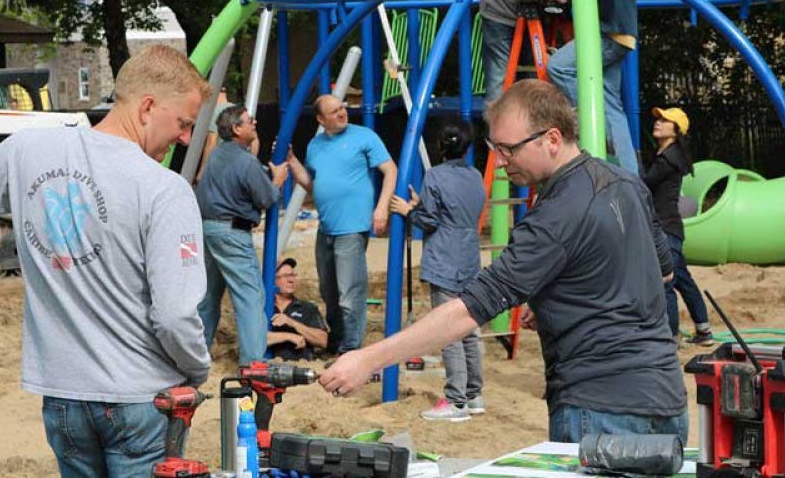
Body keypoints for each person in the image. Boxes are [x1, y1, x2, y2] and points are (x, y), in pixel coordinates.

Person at [0, 45, 212, 474]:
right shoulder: (165, 189)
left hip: (64, 400)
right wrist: (196, 369)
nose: (185, 137)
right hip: (142, 401)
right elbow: (173, 315)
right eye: (183, 123)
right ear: (148, 107)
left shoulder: (29, 153)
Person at [321, 79, 687, 444]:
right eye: (495, 148)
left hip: (601, 408)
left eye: (510, 149)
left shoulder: (555, 216)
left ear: (553, 140)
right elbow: (663, 270)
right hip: (666, 401)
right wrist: (556, 296)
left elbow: (468, 310)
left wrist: (369, 359)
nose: (501, 161)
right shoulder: (624, 182)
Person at [389, 121, 487, 422]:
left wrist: (409, 211)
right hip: (469, 256)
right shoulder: (475, 176)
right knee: (469, 328)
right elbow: (454, 210)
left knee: (448, 332)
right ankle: (474, 395)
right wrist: (423, 206)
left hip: (444, 258)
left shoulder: (434, 176)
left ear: (440, 147)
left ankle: (455, 401)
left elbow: (430, 220)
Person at [287, 95, 398, 354]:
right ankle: (336, 341)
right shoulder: (316, 145)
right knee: (329, 291)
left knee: (350, 293)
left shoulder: (364, 136)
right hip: (326, 226)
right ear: (320, 119)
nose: (342, 113)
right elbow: (314, 184)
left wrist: (382, 208)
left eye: (342, 108)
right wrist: (293, 163)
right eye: (334, 111)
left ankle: (351, 348)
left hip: (352, 226)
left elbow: (390, 170)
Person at [195, 105, 288, 364]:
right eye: (249, 121)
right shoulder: (245, 161)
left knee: (209, 297)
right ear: (237, 128)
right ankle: (253, 363)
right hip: (232, 232)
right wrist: (277, 180)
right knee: (250, 297)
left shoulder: (217, 155)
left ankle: (195, 356)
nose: (254, 123)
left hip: (208, 229)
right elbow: (267, 197)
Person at [546, 0, 638, 175]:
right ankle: (632, 176)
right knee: (611, 106)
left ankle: (586, 118)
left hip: (607, 32)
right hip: (621, 31)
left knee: (559, 67)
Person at [644, 107, 715, 346]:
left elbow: (645, 184)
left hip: (665, 228)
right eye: (658, 119)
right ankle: (703, 330)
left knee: (666, 281)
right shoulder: (668, 155)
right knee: (682, 279)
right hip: (671, 227)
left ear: (676, 130)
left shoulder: (668, 159)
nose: (658, 123)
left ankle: (670, 336)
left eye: (665, 120)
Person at [268, 258, 329, 361]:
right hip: (270, 369)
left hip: (301, 369)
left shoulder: (308, 308)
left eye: (292, 275)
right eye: (286, 276)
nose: (291, 280)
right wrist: (288, 336)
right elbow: (254, 340)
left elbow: (323, 340)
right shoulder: (263, 309)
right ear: (273, 280)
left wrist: (292, 323)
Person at [194, 86, 236, 184]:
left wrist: (201, 173)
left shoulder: (215, 111)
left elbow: (211, 143)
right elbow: (255, 141)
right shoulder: (238, 110)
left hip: (220, 169)